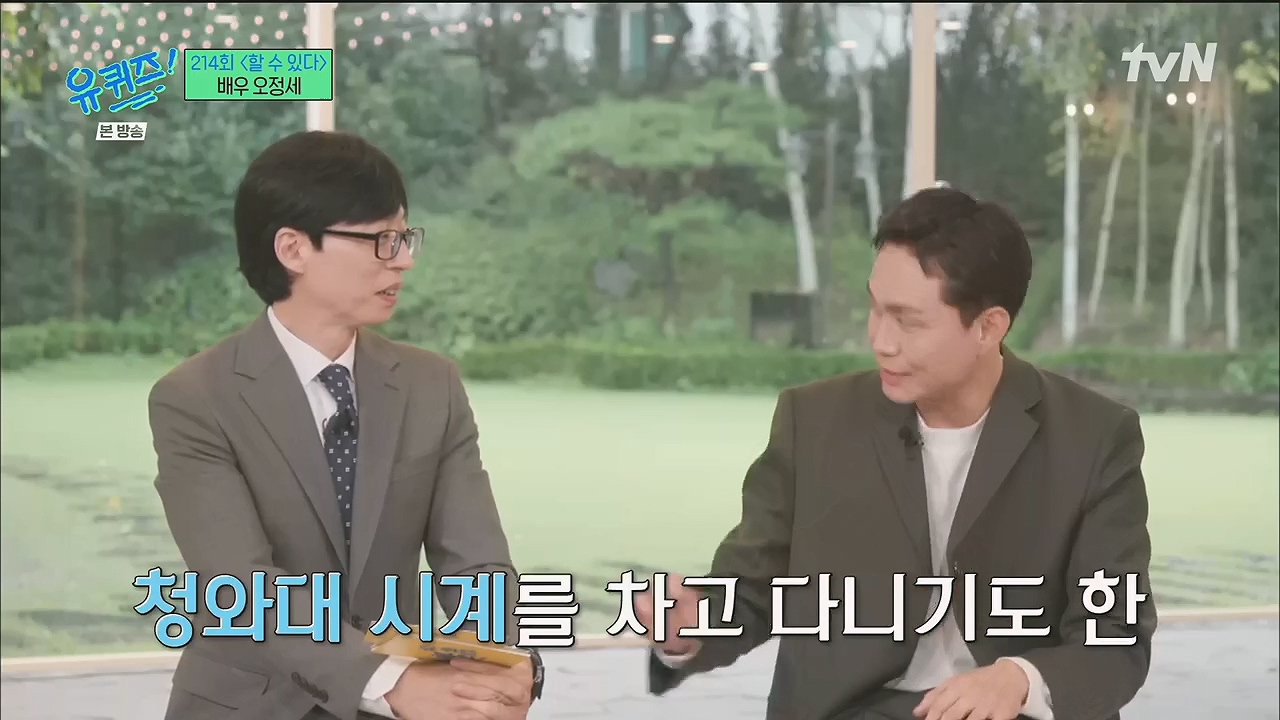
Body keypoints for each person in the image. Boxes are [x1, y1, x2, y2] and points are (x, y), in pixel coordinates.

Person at [637, 187, 1157, 720]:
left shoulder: (1095, 437)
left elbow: (1116, 636)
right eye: (875, 308)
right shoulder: (813, 421)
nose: (881, 340)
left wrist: (1019, 680)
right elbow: (751, 593)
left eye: (908, 321)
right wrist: (690, 624)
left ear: (988, 327)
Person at [148, 131, 540, 720]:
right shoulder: (195, 397)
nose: (403, 259)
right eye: (381, 240)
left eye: (404, 237)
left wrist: (496, 664)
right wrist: (392, 685)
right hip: (250, 706)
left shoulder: (431, 385)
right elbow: (243, 586)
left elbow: (476, 563)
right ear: (293, 248)